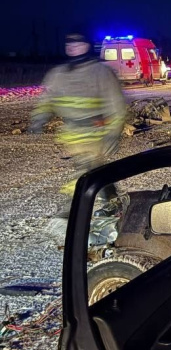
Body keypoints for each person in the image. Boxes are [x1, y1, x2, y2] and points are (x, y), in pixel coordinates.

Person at [30, 33, 127, 218]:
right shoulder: (58, 74)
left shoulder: (100, 72)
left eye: (78, 43)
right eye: (69, 44)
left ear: (87, 46)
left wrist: (114, 133)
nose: (72, 47)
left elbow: (116, 105)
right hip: (71, 132)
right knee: (95, 169)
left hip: (96, 131)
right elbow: (47, 99)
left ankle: (73, 208)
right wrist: (39, 118)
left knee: (86, 168)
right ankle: (113, 202)